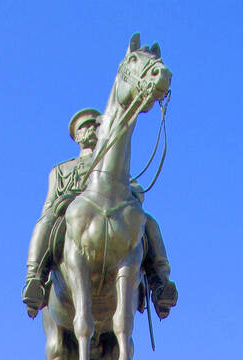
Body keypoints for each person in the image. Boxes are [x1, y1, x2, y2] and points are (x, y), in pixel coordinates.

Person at [23, 110, 177, 319]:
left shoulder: (114, 168)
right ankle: (35, 280)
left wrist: (129, 195)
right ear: (76, 137)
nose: (90, 130)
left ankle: (159, 283)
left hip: (112, 215)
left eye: (94, 125)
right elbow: (49, 204)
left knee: (148, 223)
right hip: (71, 215)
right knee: (45, 222)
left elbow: (137, 191)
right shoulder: (61, 169)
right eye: (84, 127)